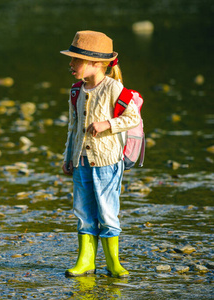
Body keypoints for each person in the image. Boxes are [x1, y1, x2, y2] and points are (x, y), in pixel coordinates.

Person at [60, 30, 140, 277]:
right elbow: (73, 127)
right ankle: (86, 261)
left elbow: (133, 117)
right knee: (83, 210)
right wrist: (67, 156)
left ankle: (113, 262)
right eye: (72, 59)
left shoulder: (115, 88)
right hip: (80, 160)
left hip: (107, 161)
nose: (71, 64)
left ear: (96, 64)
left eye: (76, 60)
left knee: (106, 211)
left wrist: (108, 124)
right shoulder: (76, 91)